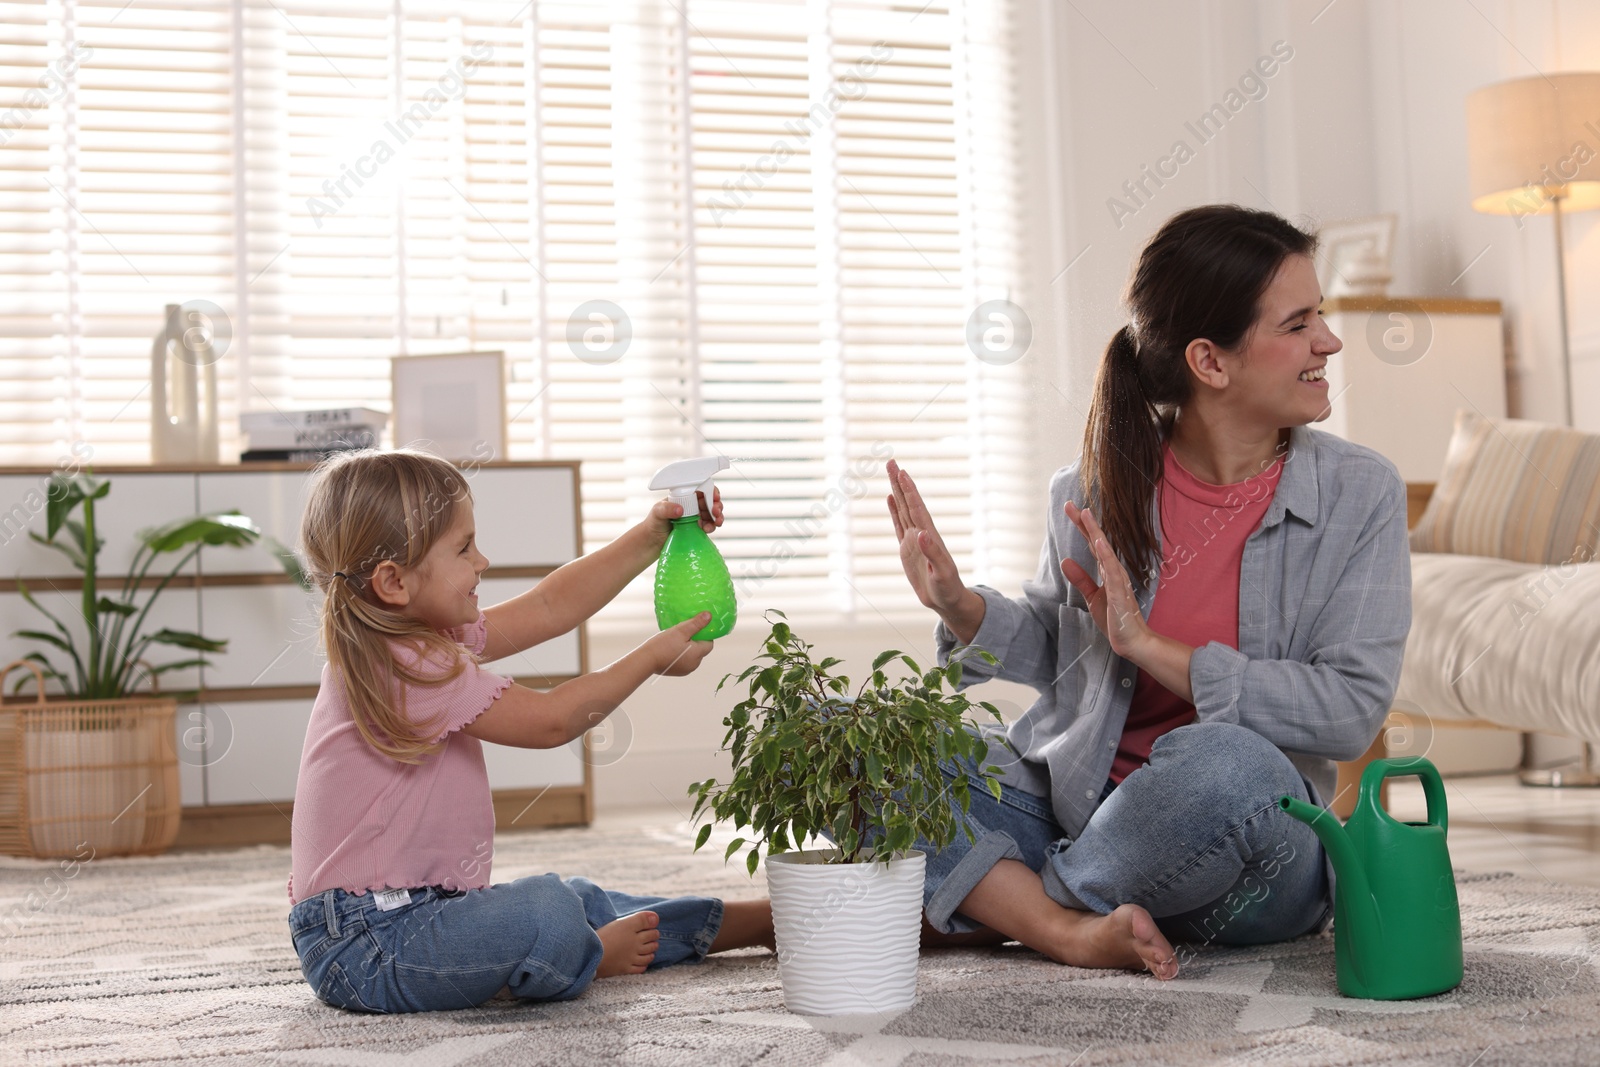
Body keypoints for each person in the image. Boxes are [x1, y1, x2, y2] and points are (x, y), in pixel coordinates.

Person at [885, 204, 1411, 979]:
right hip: (1078, 811)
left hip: (1252, 851)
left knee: (1229, 761)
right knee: (865, 738)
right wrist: (960, 606)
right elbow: (1062, 646)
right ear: (1211, 361)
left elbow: (1349, 708)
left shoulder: (1360, 493)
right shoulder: (1095, 487)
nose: (1328, 342)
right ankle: (1068, 927)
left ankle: (1014, 907)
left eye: (1320, 317)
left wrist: (1154, 649)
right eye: (1298, 324)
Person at [287, 448, 773, 1013]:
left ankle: (757, 922)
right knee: (547, 909)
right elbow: (553, 721)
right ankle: (583, 957)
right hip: (365, 946)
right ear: (393, 581)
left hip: (411, 917)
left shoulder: (422, 636)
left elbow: (549, 605)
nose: (482, 561)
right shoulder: (402, 666)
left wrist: (651, 536)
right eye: (463, 547)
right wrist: (650, 658)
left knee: (580, 898)